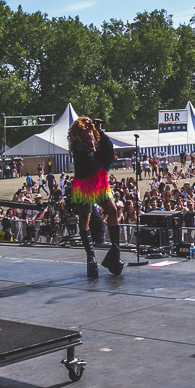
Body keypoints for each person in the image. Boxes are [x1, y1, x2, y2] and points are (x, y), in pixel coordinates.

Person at [69, 116, 124, 279]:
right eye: (87, 122)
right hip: (84, 183)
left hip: (99, 181)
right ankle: (90, 257)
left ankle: (115, 252)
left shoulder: (96, 138)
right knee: (85, 218)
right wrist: (93, 137)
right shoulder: (78, 143)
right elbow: (87, 156)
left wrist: (99, 132)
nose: (91, 124)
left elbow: (107, 152)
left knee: (112, 211)